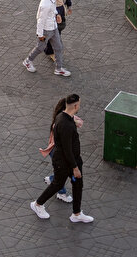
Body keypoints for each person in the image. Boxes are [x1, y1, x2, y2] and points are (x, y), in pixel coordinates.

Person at [30, 93, 91, 222]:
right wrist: (75, 167)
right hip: (65, 161)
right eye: (79, 104)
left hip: (71, 159)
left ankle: (76, 214)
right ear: (75, 106)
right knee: (58, 184)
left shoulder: (64, 117)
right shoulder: (65, 124)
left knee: (77, 185)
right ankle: (37, 204)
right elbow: (67, 149)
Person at [23, 0, 70, 76]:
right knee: (40, 48)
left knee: (58, 47)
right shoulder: (45, 4)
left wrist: (57, 14)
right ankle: (28, 61)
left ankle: (59, 68)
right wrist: (40, 35)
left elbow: (53, 8)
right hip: (46, 30)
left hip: (53, 27)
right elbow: (40, 20)